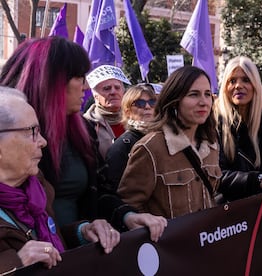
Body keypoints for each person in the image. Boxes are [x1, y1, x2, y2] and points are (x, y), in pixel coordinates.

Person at [0, 37, 166, 240]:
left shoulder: (83, 131)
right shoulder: (10, 136)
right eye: (79, 77)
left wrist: (126, 215)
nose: (86, 87)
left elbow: (100, 192)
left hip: (78, 256)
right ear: (53, 81)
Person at [0, 87, 119, 274]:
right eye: (32, 132)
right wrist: (16, 263)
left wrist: (83, 232)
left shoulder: (36, 187)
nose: (43, 142)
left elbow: (50, 242)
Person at [117, 66, 222, 219]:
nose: (204, 102)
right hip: (168, 242)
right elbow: (129, 206)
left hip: (207, 239)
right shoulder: (150, 148)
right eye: (194, 94)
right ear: (174, 101)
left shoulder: (211, 144)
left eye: (207, 94)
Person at [214, 56, 262, 202]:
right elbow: (216, 176)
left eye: (246, 80)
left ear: (255, 85)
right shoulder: (213, 122)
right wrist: (258, 179)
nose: (238, 86)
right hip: (227, 215)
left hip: (260, 210)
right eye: (232, 81)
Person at [105, 84, 157, 193]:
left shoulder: (165, 138)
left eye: (152, 102)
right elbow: (117, 190)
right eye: (140, 103)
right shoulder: (121, 146)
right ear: (128, 111)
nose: (147, 107)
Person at [83, 64, 132, 159]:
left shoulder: (136, 120)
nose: (113, 92)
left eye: (117, 88)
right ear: (95, 95)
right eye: (107, 88)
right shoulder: (86, 124)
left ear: (123, 92)